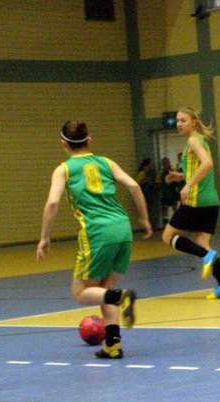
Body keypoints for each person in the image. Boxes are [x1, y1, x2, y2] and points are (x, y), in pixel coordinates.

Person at [37, 121, 152, 359]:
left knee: (80, 292)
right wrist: (143, 217)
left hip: (97, 232)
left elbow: (53, 202)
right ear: (89, 141)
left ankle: (122, 296)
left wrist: (44, 238)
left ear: (63, 144)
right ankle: (113, 345)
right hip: (123, 228)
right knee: (103, 290)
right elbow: (133, 186)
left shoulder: (64, 169)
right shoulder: (106, 162)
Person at [163, 107, 220, 299]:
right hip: (211, 201)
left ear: (193, 122)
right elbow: (200, 168)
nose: (179, 124)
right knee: (202, 243)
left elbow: (207, 163)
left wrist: (187, 185)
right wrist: (181, 176)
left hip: (196, 201)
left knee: (167, 236)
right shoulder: (199, 140)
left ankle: (206, 256)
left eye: (183, 120)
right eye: (177, 120)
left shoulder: (193, 140)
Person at [158, 156, 181, 225]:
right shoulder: (160, 172)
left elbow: (178, 181)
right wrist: (160, 193)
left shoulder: (173, 171)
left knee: (175, 208)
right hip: (164, 193)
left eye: (166, 162)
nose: (165, 164)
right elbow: (158, 183)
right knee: (165, 209)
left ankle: (176, 223)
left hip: (172, 192)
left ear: (169, 163)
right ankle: (166, 224)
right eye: (163, 163)